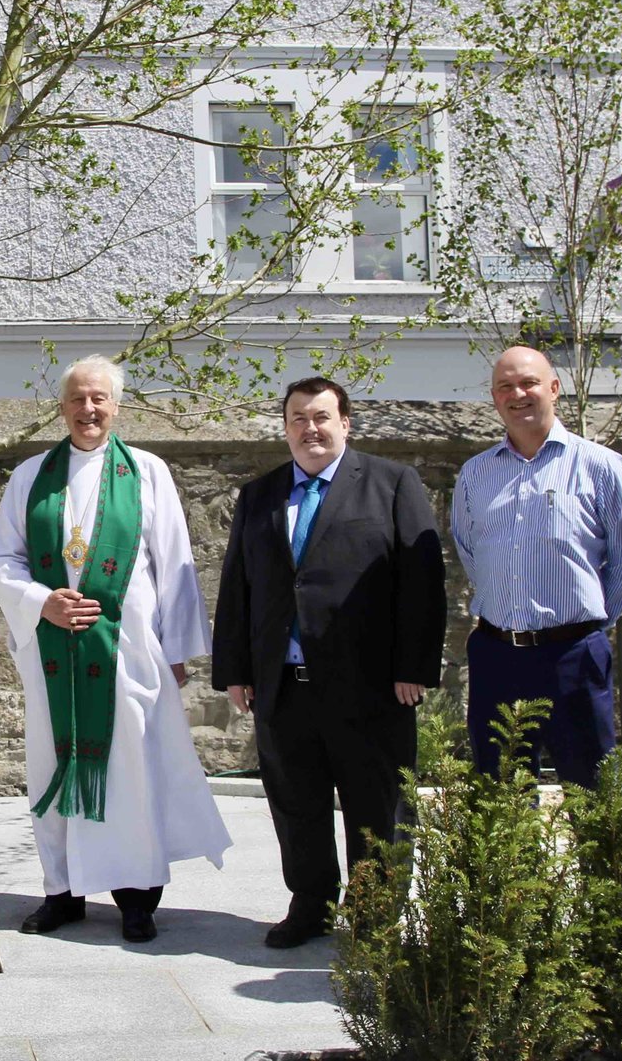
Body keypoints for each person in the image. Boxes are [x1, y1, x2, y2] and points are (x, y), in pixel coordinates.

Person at [0, 356, 230, 944]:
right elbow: (2, 557)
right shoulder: (30, 477)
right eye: (77, 399)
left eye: (99, 399)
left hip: (128, 651)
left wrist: (178, 649)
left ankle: (136, 898)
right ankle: (61, 891)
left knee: (131, 772)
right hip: (54, 657)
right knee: (52, 765)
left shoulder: (146, 472)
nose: (88, 410)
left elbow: (174, 563)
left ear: (116, 405)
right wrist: (42, 601)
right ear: (62, 406)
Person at [213, 376, 445, 948]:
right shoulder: (259, 495)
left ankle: (375, 914)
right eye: (298, 419)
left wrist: (413, 666)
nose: (310, 429)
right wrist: (236, 670)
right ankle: (311, 903)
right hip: (284, 685)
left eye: (321, 417)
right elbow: (238, 586)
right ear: (285, 427)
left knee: (378, 804)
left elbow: (423, 582)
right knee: (296, 801)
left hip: (371, 685)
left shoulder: (392, 485)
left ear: (345, 423)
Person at [451, 347, 622, 786]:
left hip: (573, 656)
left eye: (528, 383)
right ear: (494, 397)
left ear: (554, 389)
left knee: (595, 797)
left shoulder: (600, 466)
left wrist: (587, 622)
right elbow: (469, 549)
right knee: (501, 801)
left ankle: (605, 862)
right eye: (504, 386)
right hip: (497, 656)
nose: (516, 394)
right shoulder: (476, 474)